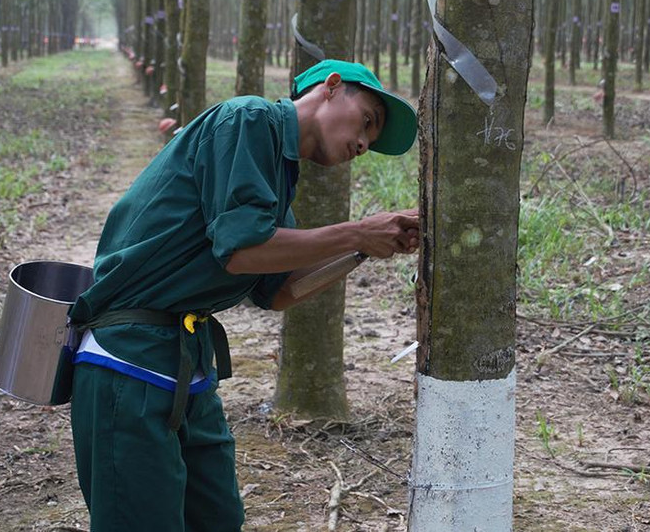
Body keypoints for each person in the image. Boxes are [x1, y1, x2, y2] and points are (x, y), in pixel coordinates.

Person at [66, 59, 419, 532]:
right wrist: (357, 232)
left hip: (187, 364)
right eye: (367, 121)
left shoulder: (277, 177)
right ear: (332, 87)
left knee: (218, 518)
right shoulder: (247, 120)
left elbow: (280, 290)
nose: (363, 143)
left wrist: (363, 250)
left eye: (371, 142)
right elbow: (242, 250)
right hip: (129, 361)